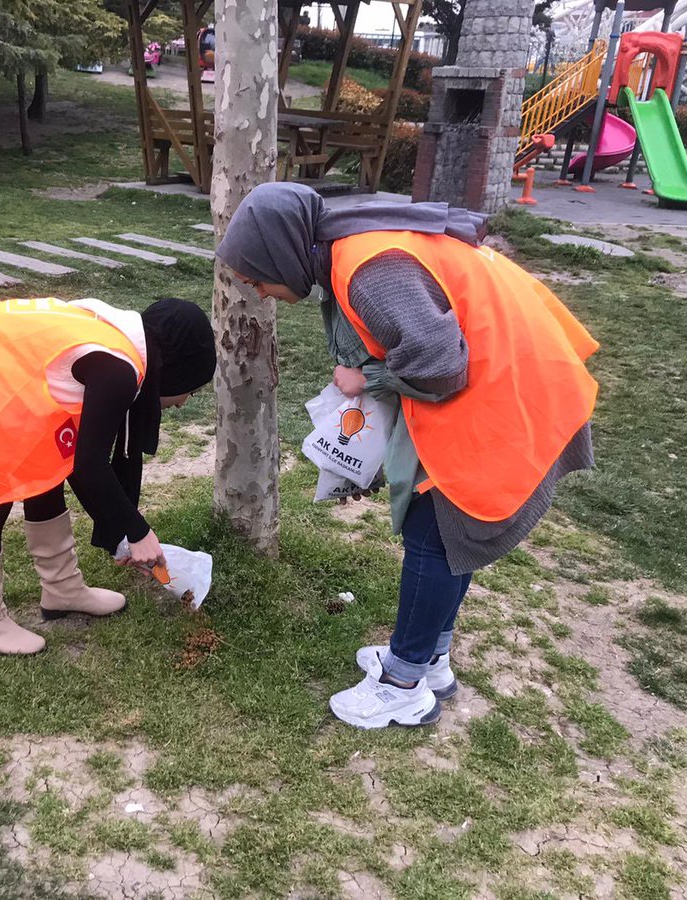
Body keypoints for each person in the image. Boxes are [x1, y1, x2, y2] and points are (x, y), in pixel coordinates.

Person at [217, 183, 599, 730]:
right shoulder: (351, 244)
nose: (257, 289)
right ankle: (430, 659)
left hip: (508, 384)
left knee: (436, 534)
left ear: (280, 251)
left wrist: (364, 376)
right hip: (511, 369)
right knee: (449, 532)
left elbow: (441, 368)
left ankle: (402, 684)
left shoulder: (368, 270)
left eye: (256, 275)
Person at [0, 296, 216, 656]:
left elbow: (76, 464)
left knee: (45, 470)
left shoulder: (118, 337)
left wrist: (121, 533)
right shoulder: (118, 369)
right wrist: (138, 533)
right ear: (175, 369)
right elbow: (90, 466)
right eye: (192, 388)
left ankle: (62, 589)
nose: (184, 401)